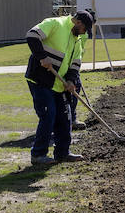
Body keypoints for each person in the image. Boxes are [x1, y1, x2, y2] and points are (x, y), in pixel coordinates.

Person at [24, 9, 93, 165]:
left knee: (65, 117)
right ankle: (38, 154)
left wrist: (71, 80)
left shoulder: (77, 39)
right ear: (78, 22)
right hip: (40, 80)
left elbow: (75, 63)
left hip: (59, 84)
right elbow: (32, 35)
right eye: (84, 29)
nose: (84, 33)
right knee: (49, 115)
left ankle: (63, 153)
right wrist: (42, 57)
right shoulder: (55, 24)